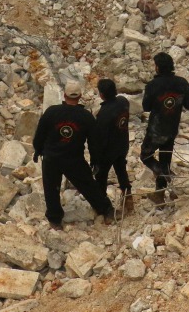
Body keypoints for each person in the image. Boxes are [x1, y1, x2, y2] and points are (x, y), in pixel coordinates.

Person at [33, 81, 116, 230]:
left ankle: (55, 220)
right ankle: (107, 210)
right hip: (74, 159)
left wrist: (38, 150)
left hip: (51, 158)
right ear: (80, 97)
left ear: (64, 96)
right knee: (88, 185)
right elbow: (93, 143)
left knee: (51, 189)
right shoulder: (86, 117)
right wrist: (95, 161)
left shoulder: (51, 112)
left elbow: (40, 135)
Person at [140, 53, 189, 205]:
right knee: (164, 161)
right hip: (172, 129)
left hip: (155, 130)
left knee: (146, 156)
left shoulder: (153, 85)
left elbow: (146, 107)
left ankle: (166, 175)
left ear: (157, 67)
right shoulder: (181, 83)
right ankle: (159, 195)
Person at [92, 78, 133, 212]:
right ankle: (128, 198)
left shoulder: (104, 114)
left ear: (101, 94)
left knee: (101, 176)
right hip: (122, 144)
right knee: (121, 170)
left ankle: (103, 205)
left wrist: (95, 158)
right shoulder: (123, 101)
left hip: (109, 150)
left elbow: (100, 138)